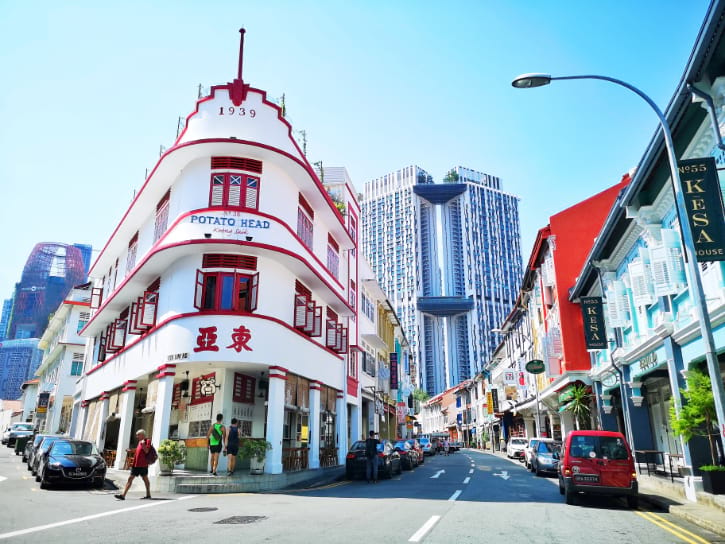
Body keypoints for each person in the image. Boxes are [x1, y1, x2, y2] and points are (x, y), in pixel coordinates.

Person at [115, 429, 152, 500]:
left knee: (145, 479)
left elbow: (146, 451)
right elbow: (138, 449)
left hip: (143, 464)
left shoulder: (147, 441)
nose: (137, 436)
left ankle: (148, 494)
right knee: (130, 478)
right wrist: (131, 450)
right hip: (136, 464)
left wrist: (143, 443)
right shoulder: (139, 442)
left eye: (138, 435)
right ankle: (123, 495)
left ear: (142, 435)